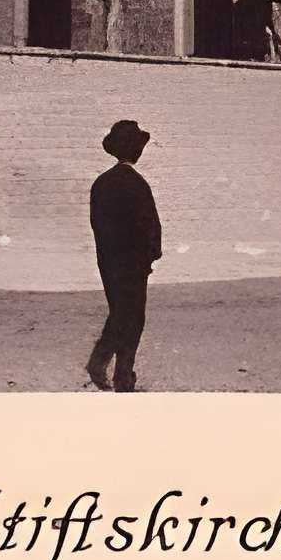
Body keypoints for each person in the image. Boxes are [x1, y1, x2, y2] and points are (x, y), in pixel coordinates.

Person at [87, 119, 162, 391]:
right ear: (135, 151)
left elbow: (97, 225)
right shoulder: (138, 185)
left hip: (108, 262)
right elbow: (151, 227)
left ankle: (104, 364)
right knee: (133, 319)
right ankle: (120, 375)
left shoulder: (101, 184)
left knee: (119, 313)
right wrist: (150, 256)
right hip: (133, 266)